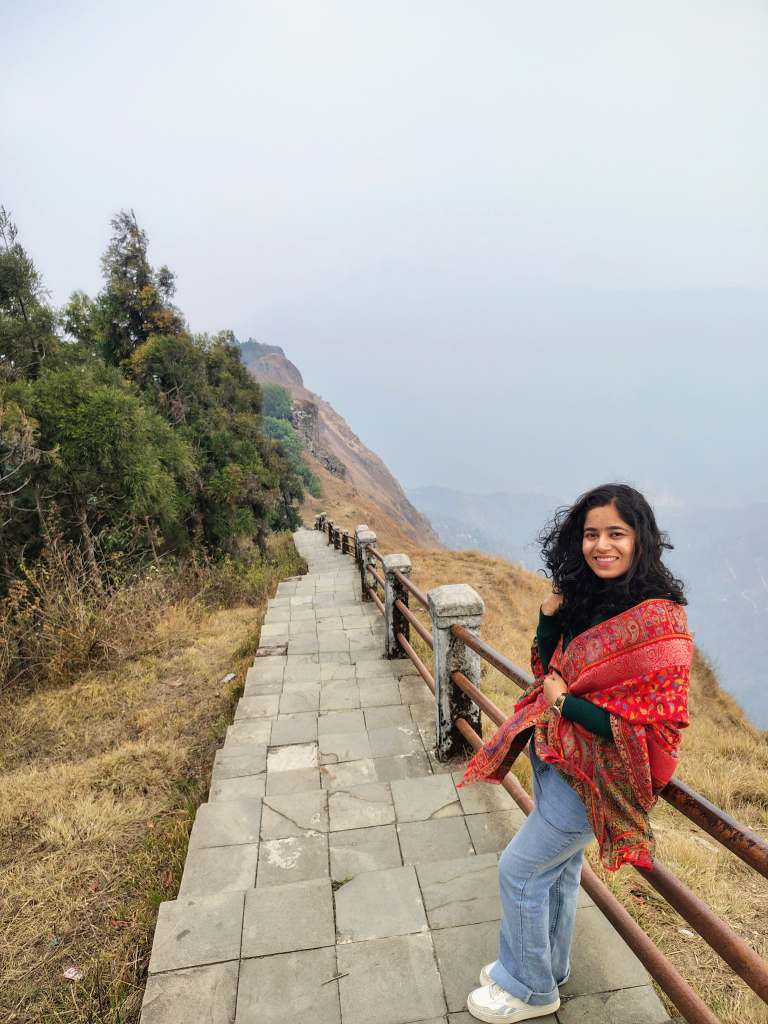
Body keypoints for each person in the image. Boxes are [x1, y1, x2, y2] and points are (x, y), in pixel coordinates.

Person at [459, 483, 694, 1024]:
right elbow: (547, 667)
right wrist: (548, 614)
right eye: (591, 534)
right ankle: (550, 969)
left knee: (519, 871)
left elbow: (642, 726)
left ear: (641, 540)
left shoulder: (660, 620)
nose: (601, 545)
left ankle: (529, 989)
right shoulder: (588, 597)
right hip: (559, 761)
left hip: (598, 779)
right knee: (558, 875)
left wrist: (564, 704)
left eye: (616, 533)